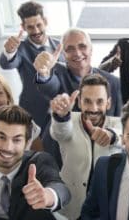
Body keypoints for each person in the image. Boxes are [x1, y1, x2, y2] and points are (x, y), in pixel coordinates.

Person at [49, 73, 123, 220]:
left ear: (108, 103)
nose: (93, 107)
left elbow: (126, 137)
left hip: (107, 205)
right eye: (87, 101)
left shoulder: (117, 124)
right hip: (77, 201)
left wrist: (112, 137)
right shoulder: (68, 121)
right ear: (79, 102)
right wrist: (61, 115)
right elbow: (59, 132)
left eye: (99, 101)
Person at [35, 28, 122, 166]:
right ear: (63, 54)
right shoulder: (56, 73)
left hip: (101, 153)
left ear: (91, 49)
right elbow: (49, 86)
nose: (77, 53)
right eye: (70, 49)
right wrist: (44, 74)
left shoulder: (113, 82)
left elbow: (120, 121)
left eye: (82, 46)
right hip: (61, 156)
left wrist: (112, 135)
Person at [0, 0, 64, 129]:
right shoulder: (21, 49)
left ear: (45, 22)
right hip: (34, 112)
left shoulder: (60, 46)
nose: (36, 31)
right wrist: (9, 51)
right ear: (23, 27)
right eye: (30, 27)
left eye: (39, 25)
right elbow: (7, 63)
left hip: (61, 110)